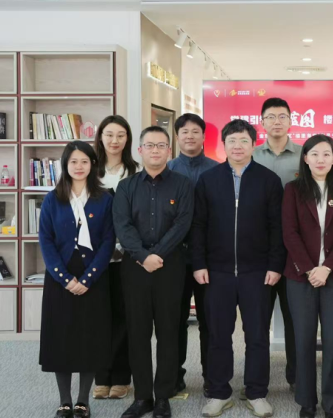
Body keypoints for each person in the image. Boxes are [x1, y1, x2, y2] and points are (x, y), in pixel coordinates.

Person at [192, 119, 285, 418]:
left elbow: (277, 227)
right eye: (231, 141)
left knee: (257, 335)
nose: (237, 146)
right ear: (224, 145)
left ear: (253, 144)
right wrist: (199, 263)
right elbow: (198, 225)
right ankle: (219, 392)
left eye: (244, 140)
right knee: (218, 334)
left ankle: (256, 392)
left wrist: (275, 265)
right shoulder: (208, 179)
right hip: (216, 271)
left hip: (257, 271)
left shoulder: (268, 180)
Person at [113, 126, 194, 418]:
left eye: (161, 145)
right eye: (150, 145)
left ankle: (163, 396)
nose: (155, 150)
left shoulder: (183, 184)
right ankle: (143, 397)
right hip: (134, 267)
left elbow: (183, 224)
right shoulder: (126, 186)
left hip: (170, 266)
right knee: (138, 332)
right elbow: (122, 225)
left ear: (169, 151)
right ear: (140, 151)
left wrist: (157, 254)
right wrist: (143, 256)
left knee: (169, 331)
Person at [39, 140, 115, 418]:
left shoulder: (105, 198)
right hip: (60, 277)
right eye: (73, 162)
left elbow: (108, 241)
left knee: (89, 338)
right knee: (61, 338)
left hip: (93, 275)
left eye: (85, 161)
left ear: (93, 164)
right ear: (65, 165)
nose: (79, 166)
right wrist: (64, 278)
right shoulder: (52, 198)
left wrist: (88, 278)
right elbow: (45, 240)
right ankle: (64, 401)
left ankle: (83, 400)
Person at [282, 135, 333, 418]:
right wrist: (309, 268)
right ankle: (307, 402)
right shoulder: (293, 190)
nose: (320, 159)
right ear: (305, 158)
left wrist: (328, 267)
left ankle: (332, 402)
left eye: (326, 154)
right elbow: (289, 232)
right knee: (303, 340)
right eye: (314, 154)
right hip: (301, 276)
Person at [167, 113, 219, 396]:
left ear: (203, 136)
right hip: (173, 258)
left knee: (209, 321)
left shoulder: (217, 170)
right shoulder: (167, 169)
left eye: (195, 131)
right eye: (184, 132)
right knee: (174, 321)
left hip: (208, 259)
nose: (190, 136)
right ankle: (174, 376)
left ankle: (212, 376)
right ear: (177, 137)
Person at [252, 97, 300, 391]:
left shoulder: (305, 155)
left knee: (296, 318)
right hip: (261, 249)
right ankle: (258, 381)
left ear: (291, 121)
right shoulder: (251, 155)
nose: (277, 121)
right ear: (262, 122)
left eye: (282, 116)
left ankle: (297, 378)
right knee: (258, 319)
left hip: (296, 249)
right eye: (271, 117)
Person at [93, 115, 140, 401]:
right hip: (94, 257)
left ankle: (122, 377)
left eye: (121, 135)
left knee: (124, 317)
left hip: (126, 257)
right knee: (98, 318)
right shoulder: (89, 170)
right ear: (100, 137)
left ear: (128, 139)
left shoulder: (135, 171)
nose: (114, 140)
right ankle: (101, 377)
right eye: (109, 134)